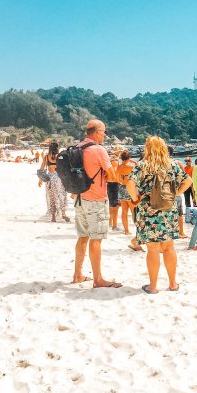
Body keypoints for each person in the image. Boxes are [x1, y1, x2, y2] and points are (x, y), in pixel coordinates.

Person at [126, 136, 192, 294]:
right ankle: (173, 284)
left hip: (149, 212)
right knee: (169, 248)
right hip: (168, 211)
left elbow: (129, 183)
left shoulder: (142, 165)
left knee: (153, 249)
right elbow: (188, 181)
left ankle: (153, 287)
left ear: (147, 148)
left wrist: (136, 198)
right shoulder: (172, 165)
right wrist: (175, 193)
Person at [72, 119, 122, 288]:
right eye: (104, 132)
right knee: (96, 239)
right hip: (96, 199)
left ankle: (77, 274)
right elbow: (113, 176)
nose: (105, 135)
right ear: (97, 132)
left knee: (82, 237)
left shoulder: (78, 147)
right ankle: (98, 279)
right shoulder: (99, 150)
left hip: (80, 198)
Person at [38, 142, 69, 222]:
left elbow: (42, 169)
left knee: (52, 197)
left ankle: (53, 217)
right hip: (59, 178)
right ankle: (63, 213)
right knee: (62, 195)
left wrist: (40, 180)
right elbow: (65, 168)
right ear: (57, 148)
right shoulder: (60, 157)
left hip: (50, 179)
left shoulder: (46, 157)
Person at [117, 150, 136, 235]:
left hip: (121, 188)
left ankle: (126, 230)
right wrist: (133, 161)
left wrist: (122, 182)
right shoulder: (131, 167)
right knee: (133, 211)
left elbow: (117, 179)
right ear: (129, 158)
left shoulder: (119, 167)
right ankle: (137, 229)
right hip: (130, 188)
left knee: (124, 211)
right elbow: (140, 168)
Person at [107, 153, 121, 231]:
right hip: (115, 184)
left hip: (109, 184)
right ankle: (114, 225)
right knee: (116, 206)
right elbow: (116, 175)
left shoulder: (108, 164)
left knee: (111, 205)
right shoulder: (116, 162)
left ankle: (110, 222)